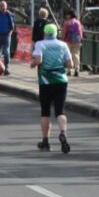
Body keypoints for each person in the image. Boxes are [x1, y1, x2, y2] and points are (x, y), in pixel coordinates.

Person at [30, 23, 73, 153]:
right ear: (56, 33)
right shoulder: (63, 45)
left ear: (44, 33)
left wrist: (33, 64)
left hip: (45, 81)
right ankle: (63, 133)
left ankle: (46, 142)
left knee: (45, 112)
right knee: (60, 111)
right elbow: (70, 64)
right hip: (61, 80)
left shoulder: (40, 44)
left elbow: (38, 60)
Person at [0, 1, 15, 73]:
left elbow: (12, 26)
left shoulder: (10, 15)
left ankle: (6, 67)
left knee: (6, 51)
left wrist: (10, 34)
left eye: (4, 6)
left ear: (6, 6)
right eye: (1, 6)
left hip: (6, 35)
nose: (3, 7)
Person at [62, 10, 84, 77]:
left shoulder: (66, 22)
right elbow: (81, 31)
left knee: (68, 55)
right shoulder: (78, 22)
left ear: (70, 15)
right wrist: (81, 39)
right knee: (76, 55)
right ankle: (77, 69)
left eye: (67, 14)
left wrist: (62, 39)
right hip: (77, 41)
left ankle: (69, 70)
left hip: (68, 41)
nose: (66, 16)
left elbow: (64, 32)